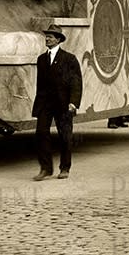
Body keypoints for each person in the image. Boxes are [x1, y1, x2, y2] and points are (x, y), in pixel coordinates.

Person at [31, 26, 82, 180]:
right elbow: (40, 84)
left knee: (65, 136)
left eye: (51, 37)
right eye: (46, 36)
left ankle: (65, 168)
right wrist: (38, 104)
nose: (47, 39)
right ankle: (45, 168)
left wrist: (73, 103)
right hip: (45, 104)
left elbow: (76, 82)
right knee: (41, 133)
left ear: (58, 40)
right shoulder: (41, 60)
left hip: (64, 104)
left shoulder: (69, 59)